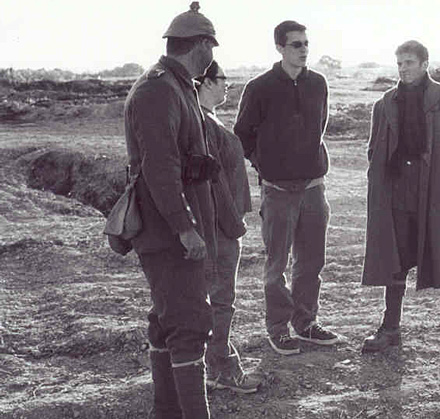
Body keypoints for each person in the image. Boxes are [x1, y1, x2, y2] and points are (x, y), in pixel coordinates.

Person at [123, 3, 219, 418]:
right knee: (189, 322)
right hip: (167, 229)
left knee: (168, 319)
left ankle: (166, 413)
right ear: (200, 45)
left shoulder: (178, 85)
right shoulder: (158, 89)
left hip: (172, 224)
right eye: (211, 46)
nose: (212, 54)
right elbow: (159, 168)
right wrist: (184, 228)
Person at [361, 40, 440, 360]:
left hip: (434, 196)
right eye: (399, 63)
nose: (403, 69)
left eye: (409, 62)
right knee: (394, 262)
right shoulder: (385, 104)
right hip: (397, 195)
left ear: (425, 64)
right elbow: (374, 150)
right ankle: (390, 329)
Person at [234, 20, 338, 356]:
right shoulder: (259, 87)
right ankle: (278, 329)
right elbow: (242, 135)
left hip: (313, 187)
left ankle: (306, 323)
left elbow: (320, 125)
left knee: (312, 261)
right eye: (296, 44)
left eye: (306, 43)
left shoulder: (318, 83)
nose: (303, 49)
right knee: (277, 264)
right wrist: (265, 165)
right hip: (278, 190)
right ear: (280, 47)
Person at [195, 61, 261, 393]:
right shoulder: (202, 123)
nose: (226, 86)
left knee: (219, 299)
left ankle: (213, 366)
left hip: (223, 223)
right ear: (205, 82)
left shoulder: (208, 118)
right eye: (222, 80)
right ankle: (221, 369)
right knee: (221, 300)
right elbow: (214, 182)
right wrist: (233, 222)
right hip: (220, 225)